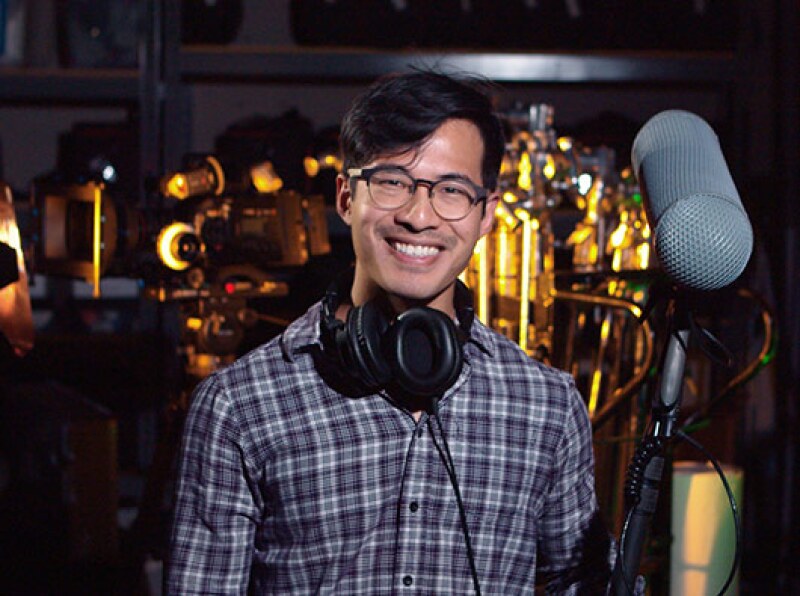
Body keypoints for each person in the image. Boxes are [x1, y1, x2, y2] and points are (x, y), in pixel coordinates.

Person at [167, 70, 612, 594]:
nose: (418, 216)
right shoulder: (238, 406)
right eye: (393, 182)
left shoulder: (547, 406)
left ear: (486, 213)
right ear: (346, 196)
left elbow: (578, 583)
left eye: (451, 190)